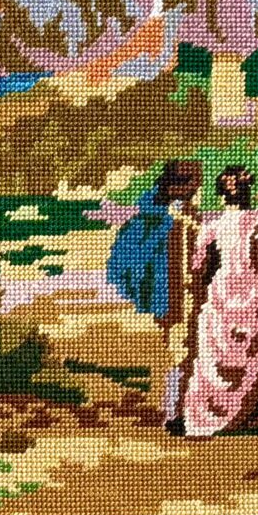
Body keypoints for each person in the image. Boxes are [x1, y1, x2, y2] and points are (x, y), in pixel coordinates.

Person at [180, 165, 258, 435]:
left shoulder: (212, 227)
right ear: (247, 193)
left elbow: (198, 268)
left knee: (213, 359)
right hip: (254, 297)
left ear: (222, 195)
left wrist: (202, 291)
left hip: (222, 295)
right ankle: (251, 413)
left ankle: (207, 417)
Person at [106, 159, 205, 429]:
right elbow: (181, 258)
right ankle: (176, 413)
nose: (198, 186)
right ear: (176, 186)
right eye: (194, 181)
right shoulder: (173, 216)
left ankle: (178, 410)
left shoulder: (160, 213)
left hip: (173, 294)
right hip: (174, 294)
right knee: (183, 352)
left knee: (182, 351)